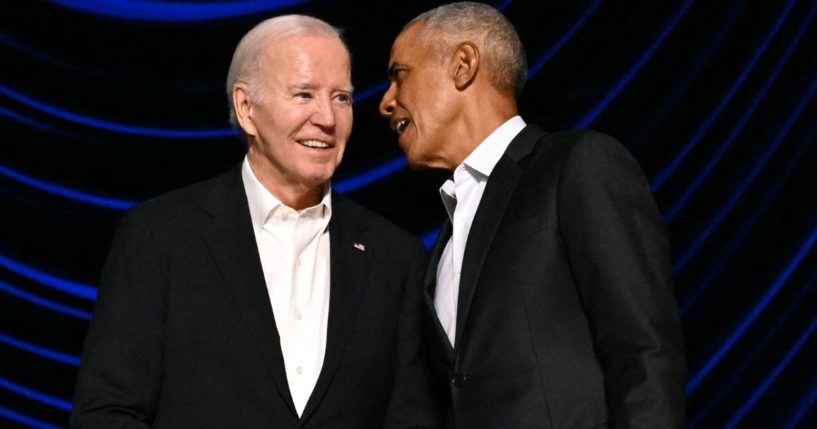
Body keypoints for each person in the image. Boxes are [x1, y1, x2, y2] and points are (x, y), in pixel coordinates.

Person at [71, 15, 436, 429]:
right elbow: (105, 413)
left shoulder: (396, 258)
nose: (327, 119)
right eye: (303, 94)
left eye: (342, 98)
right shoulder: (161, 236)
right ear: (246, 108)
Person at [379, 3, 686, 428]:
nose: (386, 102)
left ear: (463, 65)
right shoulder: (445, 240)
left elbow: (643, 351)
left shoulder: (577, 166)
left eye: (399, 75)